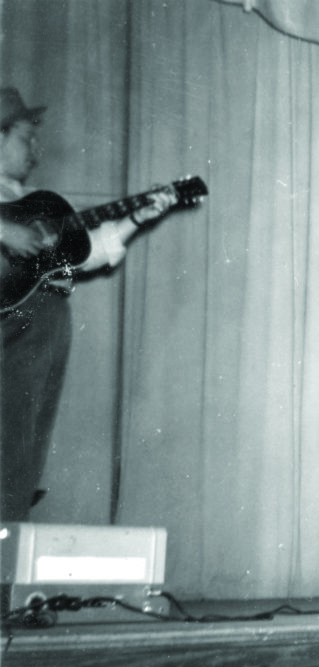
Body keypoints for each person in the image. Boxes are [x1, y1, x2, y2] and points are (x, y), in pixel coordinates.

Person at [1, 86, 175, 522]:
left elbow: (89, 251)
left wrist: (136, 218)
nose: (37, 147)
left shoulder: (34, 203)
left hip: (46, 318)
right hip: (12, 322)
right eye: (27, 136)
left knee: (25, 444)